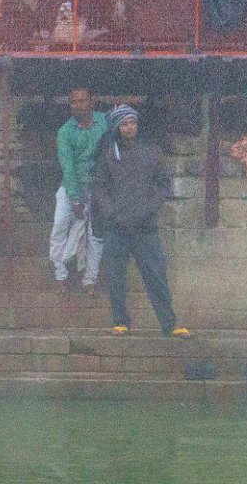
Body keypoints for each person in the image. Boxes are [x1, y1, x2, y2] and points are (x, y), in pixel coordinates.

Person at [90, 105, 192, 338]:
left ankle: (169, 324)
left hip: (145, 227)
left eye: (133, 123)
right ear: (117, 128)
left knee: (156, 276)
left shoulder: (152, 152)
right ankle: (120, 322)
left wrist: (150, 208)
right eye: (124, 124)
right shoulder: (109, 155)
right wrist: (112, 213)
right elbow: (99, 188)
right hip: (116, 227)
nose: (129, 128)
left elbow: (163, 185)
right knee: (116, 277)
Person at [50, 89, 109, 296]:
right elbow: (67, 166)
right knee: (59, 227)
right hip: (70, 186)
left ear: (92, 102)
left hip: (98, 187)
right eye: (74, 102)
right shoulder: (65, 131)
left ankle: (90, 278)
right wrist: (75, 199)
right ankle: (60, 274)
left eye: (83, 101)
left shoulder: (105, 122)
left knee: (95, 234)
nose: (78, 105)